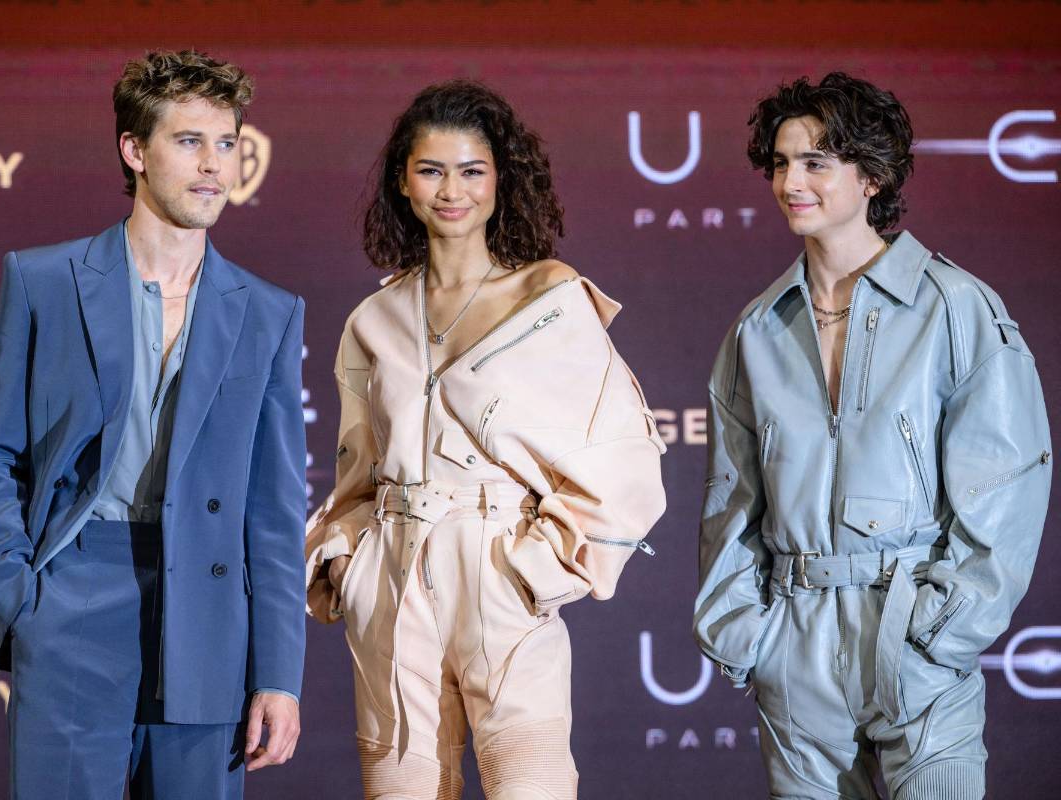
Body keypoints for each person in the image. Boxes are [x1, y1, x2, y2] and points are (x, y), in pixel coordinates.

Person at [304, 80, 667, 800]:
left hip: (504, 579)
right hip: (393, 588)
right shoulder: (372, 320)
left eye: (472, 171)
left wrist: (534, 571)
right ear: (402, 183)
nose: (452, 191)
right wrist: (348, 561)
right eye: (431, 170)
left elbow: (626, 458)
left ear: (501, 182)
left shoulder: (549, 297)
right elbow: (355, 474)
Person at [694, 72, 1052, 799]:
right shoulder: (758, 328)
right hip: (795, 651)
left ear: (873, 177)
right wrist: (749, 640)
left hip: (914, 639)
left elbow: (1008, 484)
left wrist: (934, 637)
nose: (791, 181)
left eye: (816, 162)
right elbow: (732, 499)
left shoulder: (956, 307)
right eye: (782, 162)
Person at [0, 50, 306, 799]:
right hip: (76, 603)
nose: (214, 165)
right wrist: (24, 598)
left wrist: (279, 673)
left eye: (226, 143)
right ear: (134, 150)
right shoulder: (45, 281)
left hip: (211, 622)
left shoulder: (269, 313)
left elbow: (276, 513)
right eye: (189, 141)